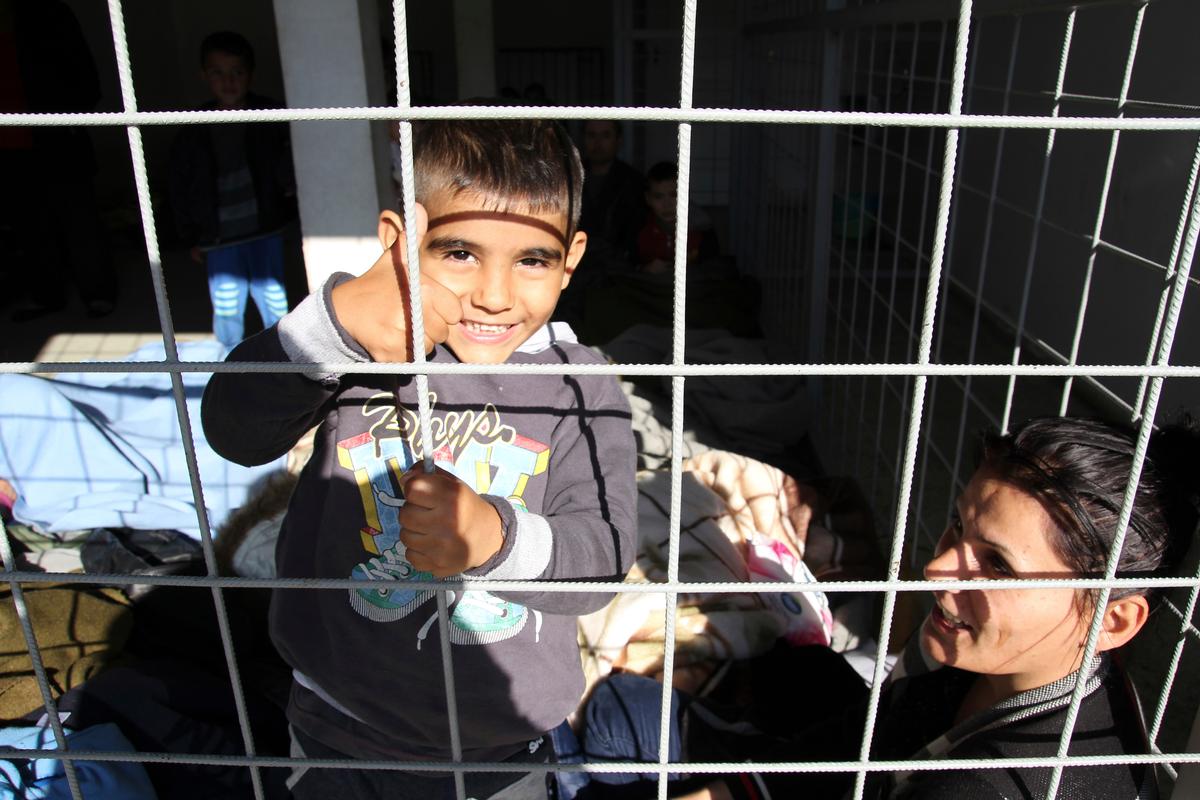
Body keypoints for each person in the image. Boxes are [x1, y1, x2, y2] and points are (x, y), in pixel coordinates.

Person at [201, 119, 638, 799]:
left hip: (500, 748)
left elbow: (603, 558)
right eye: (459, 253)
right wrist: (332, 326)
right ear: (400, 241)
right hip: (335, 723)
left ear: (571, 258)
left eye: (532, 260)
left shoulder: (581, 384)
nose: (494, 295)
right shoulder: (365, 345)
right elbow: (233, 433)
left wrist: (496, 540)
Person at [558, 416, 1199, 800]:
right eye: (958, 527)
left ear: (1113, 621)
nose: (939, 568)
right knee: (616, 706)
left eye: (998, 565)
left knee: (583, 736)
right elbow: (858, 739)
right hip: (825, 764)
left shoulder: (1002, 784)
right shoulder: (978, 649)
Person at [169, 31, 295, 349]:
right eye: (218, 73)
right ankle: (228, 360)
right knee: (226, 306)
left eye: (237, 72)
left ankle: (281, 355)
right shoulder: (193, 130)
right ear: (204, 76)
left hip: (265, 230)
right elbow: (180, 186)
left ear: (250, 74)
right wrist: (190, 236)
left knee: (274, 300)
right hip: (219, 238)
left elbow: (291, 166)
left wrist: (289, 211)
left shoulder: (272, 117)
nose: (228, 81)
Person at [2, 0, 117, 321]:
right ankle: (47, 293)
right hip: (9, 142)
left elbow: (84, 78)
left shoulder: (47, 12)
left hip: (55, 133)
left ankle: (97, 291)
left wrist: (70, 119)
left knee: (77, 216)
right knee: (28, 222)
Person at [577, 119, 644, 265]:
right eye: (591, 135)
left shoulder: (633, 182)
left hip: (619, 268)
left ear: (618, 140)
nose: (598, 143)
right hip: (577, 264)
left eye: (605, 135)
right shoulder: (571, 178)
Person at [635, 161, 718, 274]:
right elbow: (624, 267)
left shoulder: (702, 228)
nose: (667, 204)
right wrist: (644, 270)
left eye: (674, 195)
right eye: (658, 197)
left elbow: (715, 269)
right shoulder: (637, 228)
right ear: (648, 199)